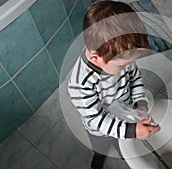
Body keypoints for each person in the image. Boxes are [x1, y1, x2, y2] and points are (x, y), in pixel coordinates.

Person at [67, 1, 160, 168]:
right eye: (122, 66)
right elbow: (97, 119)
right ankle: (99, 155)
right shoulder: (81, 84)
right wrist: (131, 131)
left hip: (123, 112)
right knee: (101, 144)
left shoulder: (120, 55)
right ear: (96, 58)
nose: (127, 67)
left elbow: (135, 78)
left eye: (130, 63)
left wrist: (141, 104)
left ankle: (122, 150)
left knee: (121, 141)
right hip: (98, 127)